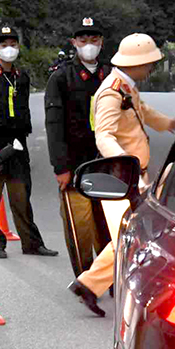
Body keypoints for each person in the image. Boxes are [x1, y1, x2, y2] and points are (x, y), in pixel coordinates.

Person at [67, 33, 175, 316]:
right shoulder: (111, 91)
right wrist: (128, 167)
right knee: (128, 238)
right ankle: (93, 286)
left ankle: (88, 285)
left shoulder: (126, 86)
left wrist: (167, 124)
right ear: (138, 63)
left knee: (128, 236)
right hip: (121, 177)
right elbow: (103, 135)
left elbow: (143, 112)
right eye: (149, 63)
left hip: (129, 174)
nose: (151, 68)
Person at [0, 22, 58, 259]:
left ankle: (31, 243)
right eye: (3, 44)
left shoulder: (22, 77)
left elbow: (25, 110)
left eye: (13, 44)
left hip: (18, 144)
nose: (9, 48)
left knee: (21, 196)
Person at [45, 17, 113, 276]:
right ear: (74, 43)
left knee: (107, 222)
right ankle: (85, 277)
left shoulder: (111, 75)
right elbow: (54, 125)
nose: (89, 45)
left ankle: (106, 276)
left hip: (107, 161)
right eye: (83, 40)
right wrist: (60, 166)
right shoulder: (61, 77)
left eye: (94, 40)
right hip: (75, 162)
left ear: (101, 42)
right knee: (80, 225)